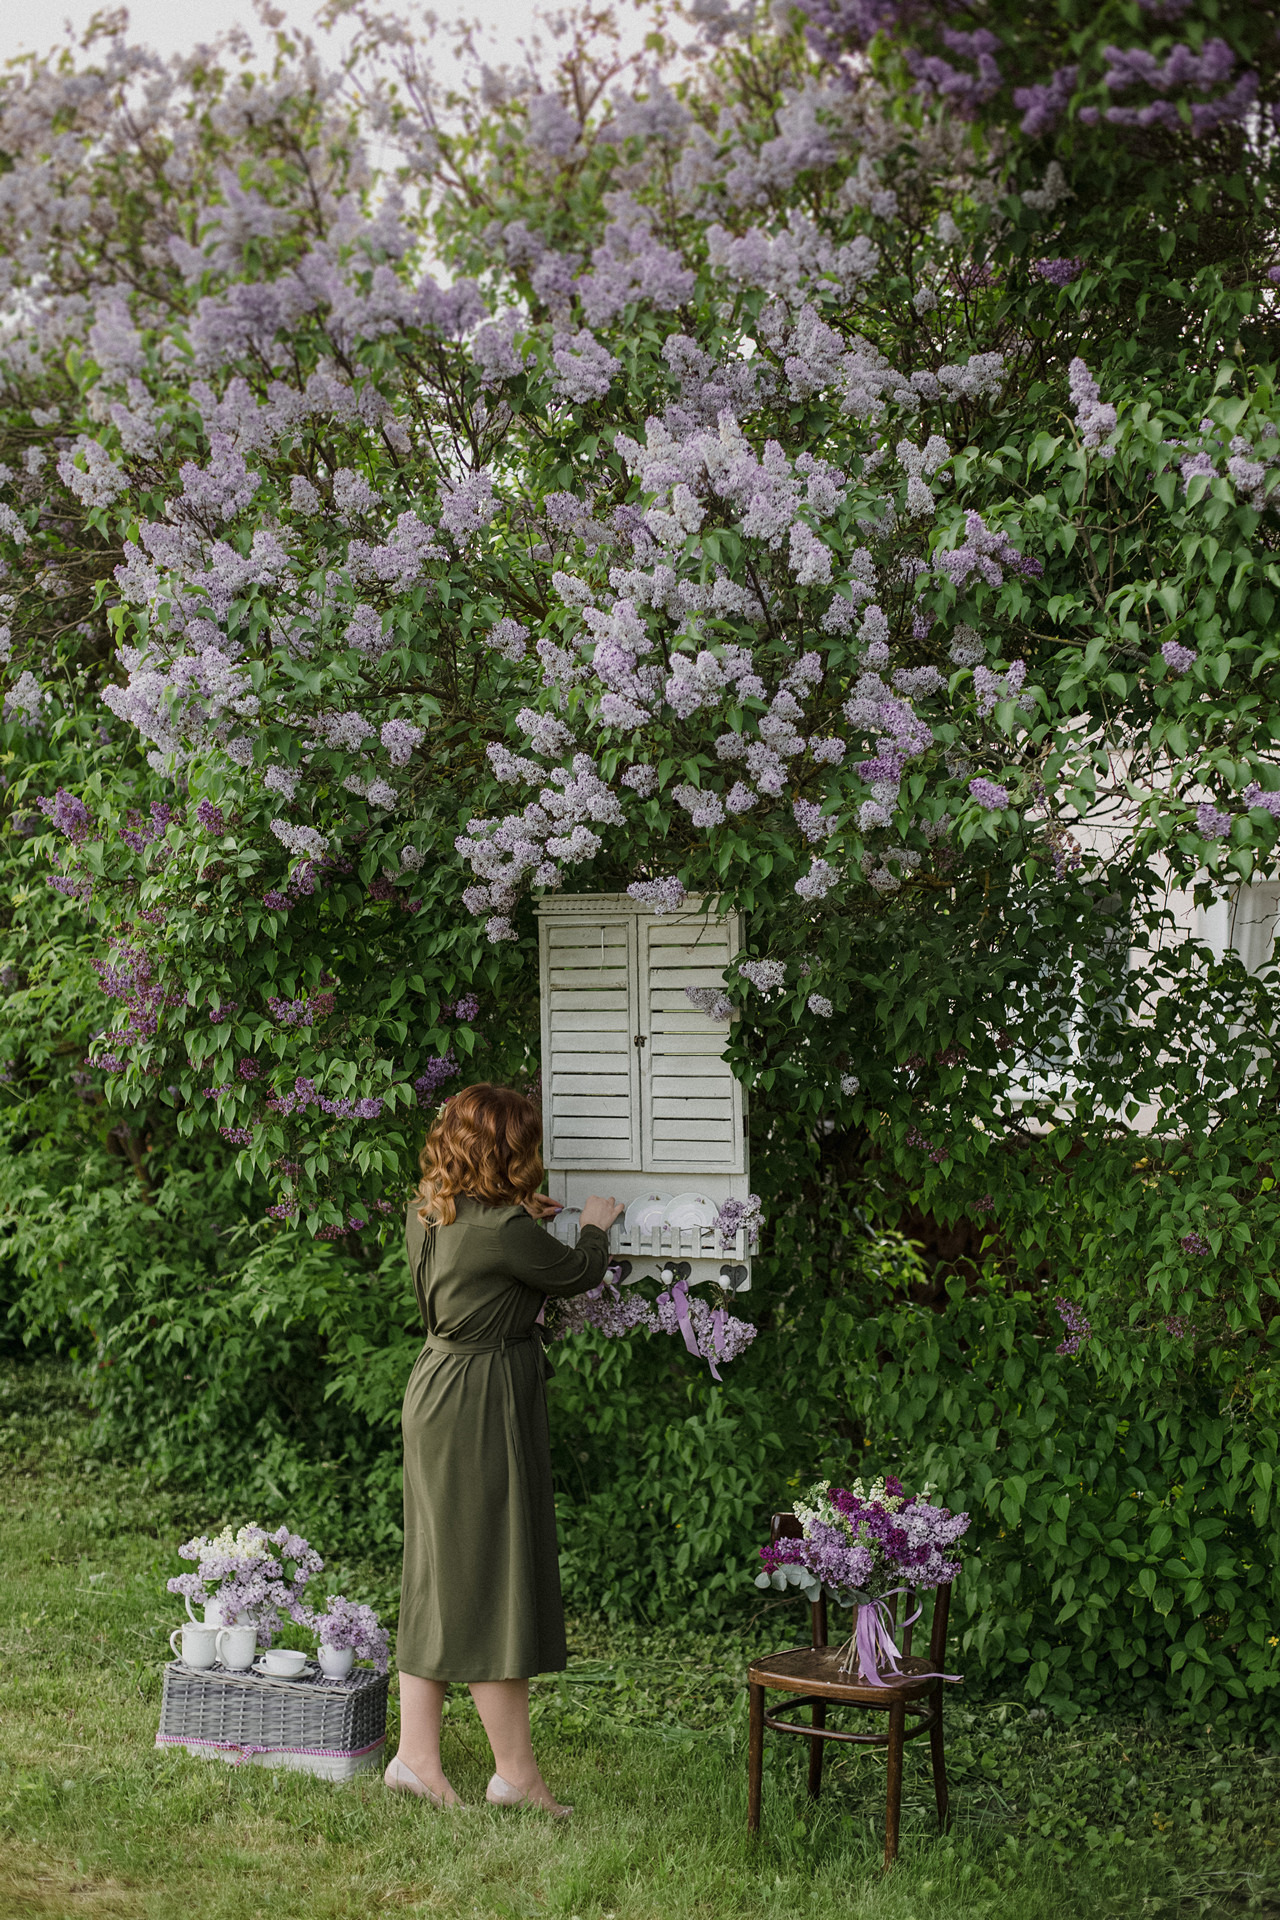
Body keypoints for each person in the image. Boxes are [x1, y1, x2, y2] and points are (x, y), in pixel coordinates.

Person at [385, 1081, 623, 1815]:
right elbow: (577, 1272)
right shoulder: (504, 1230)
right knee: (490, 1582)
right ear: (506, 1150)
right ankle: (514, 1778)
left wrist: (521, 1216)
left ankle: (416, 1758)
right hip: (479, 1402)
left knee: (437, 1575)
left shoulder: (430, 1206)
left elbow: (487, 1249)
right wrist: (594, 1225)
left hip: (438, 1388)